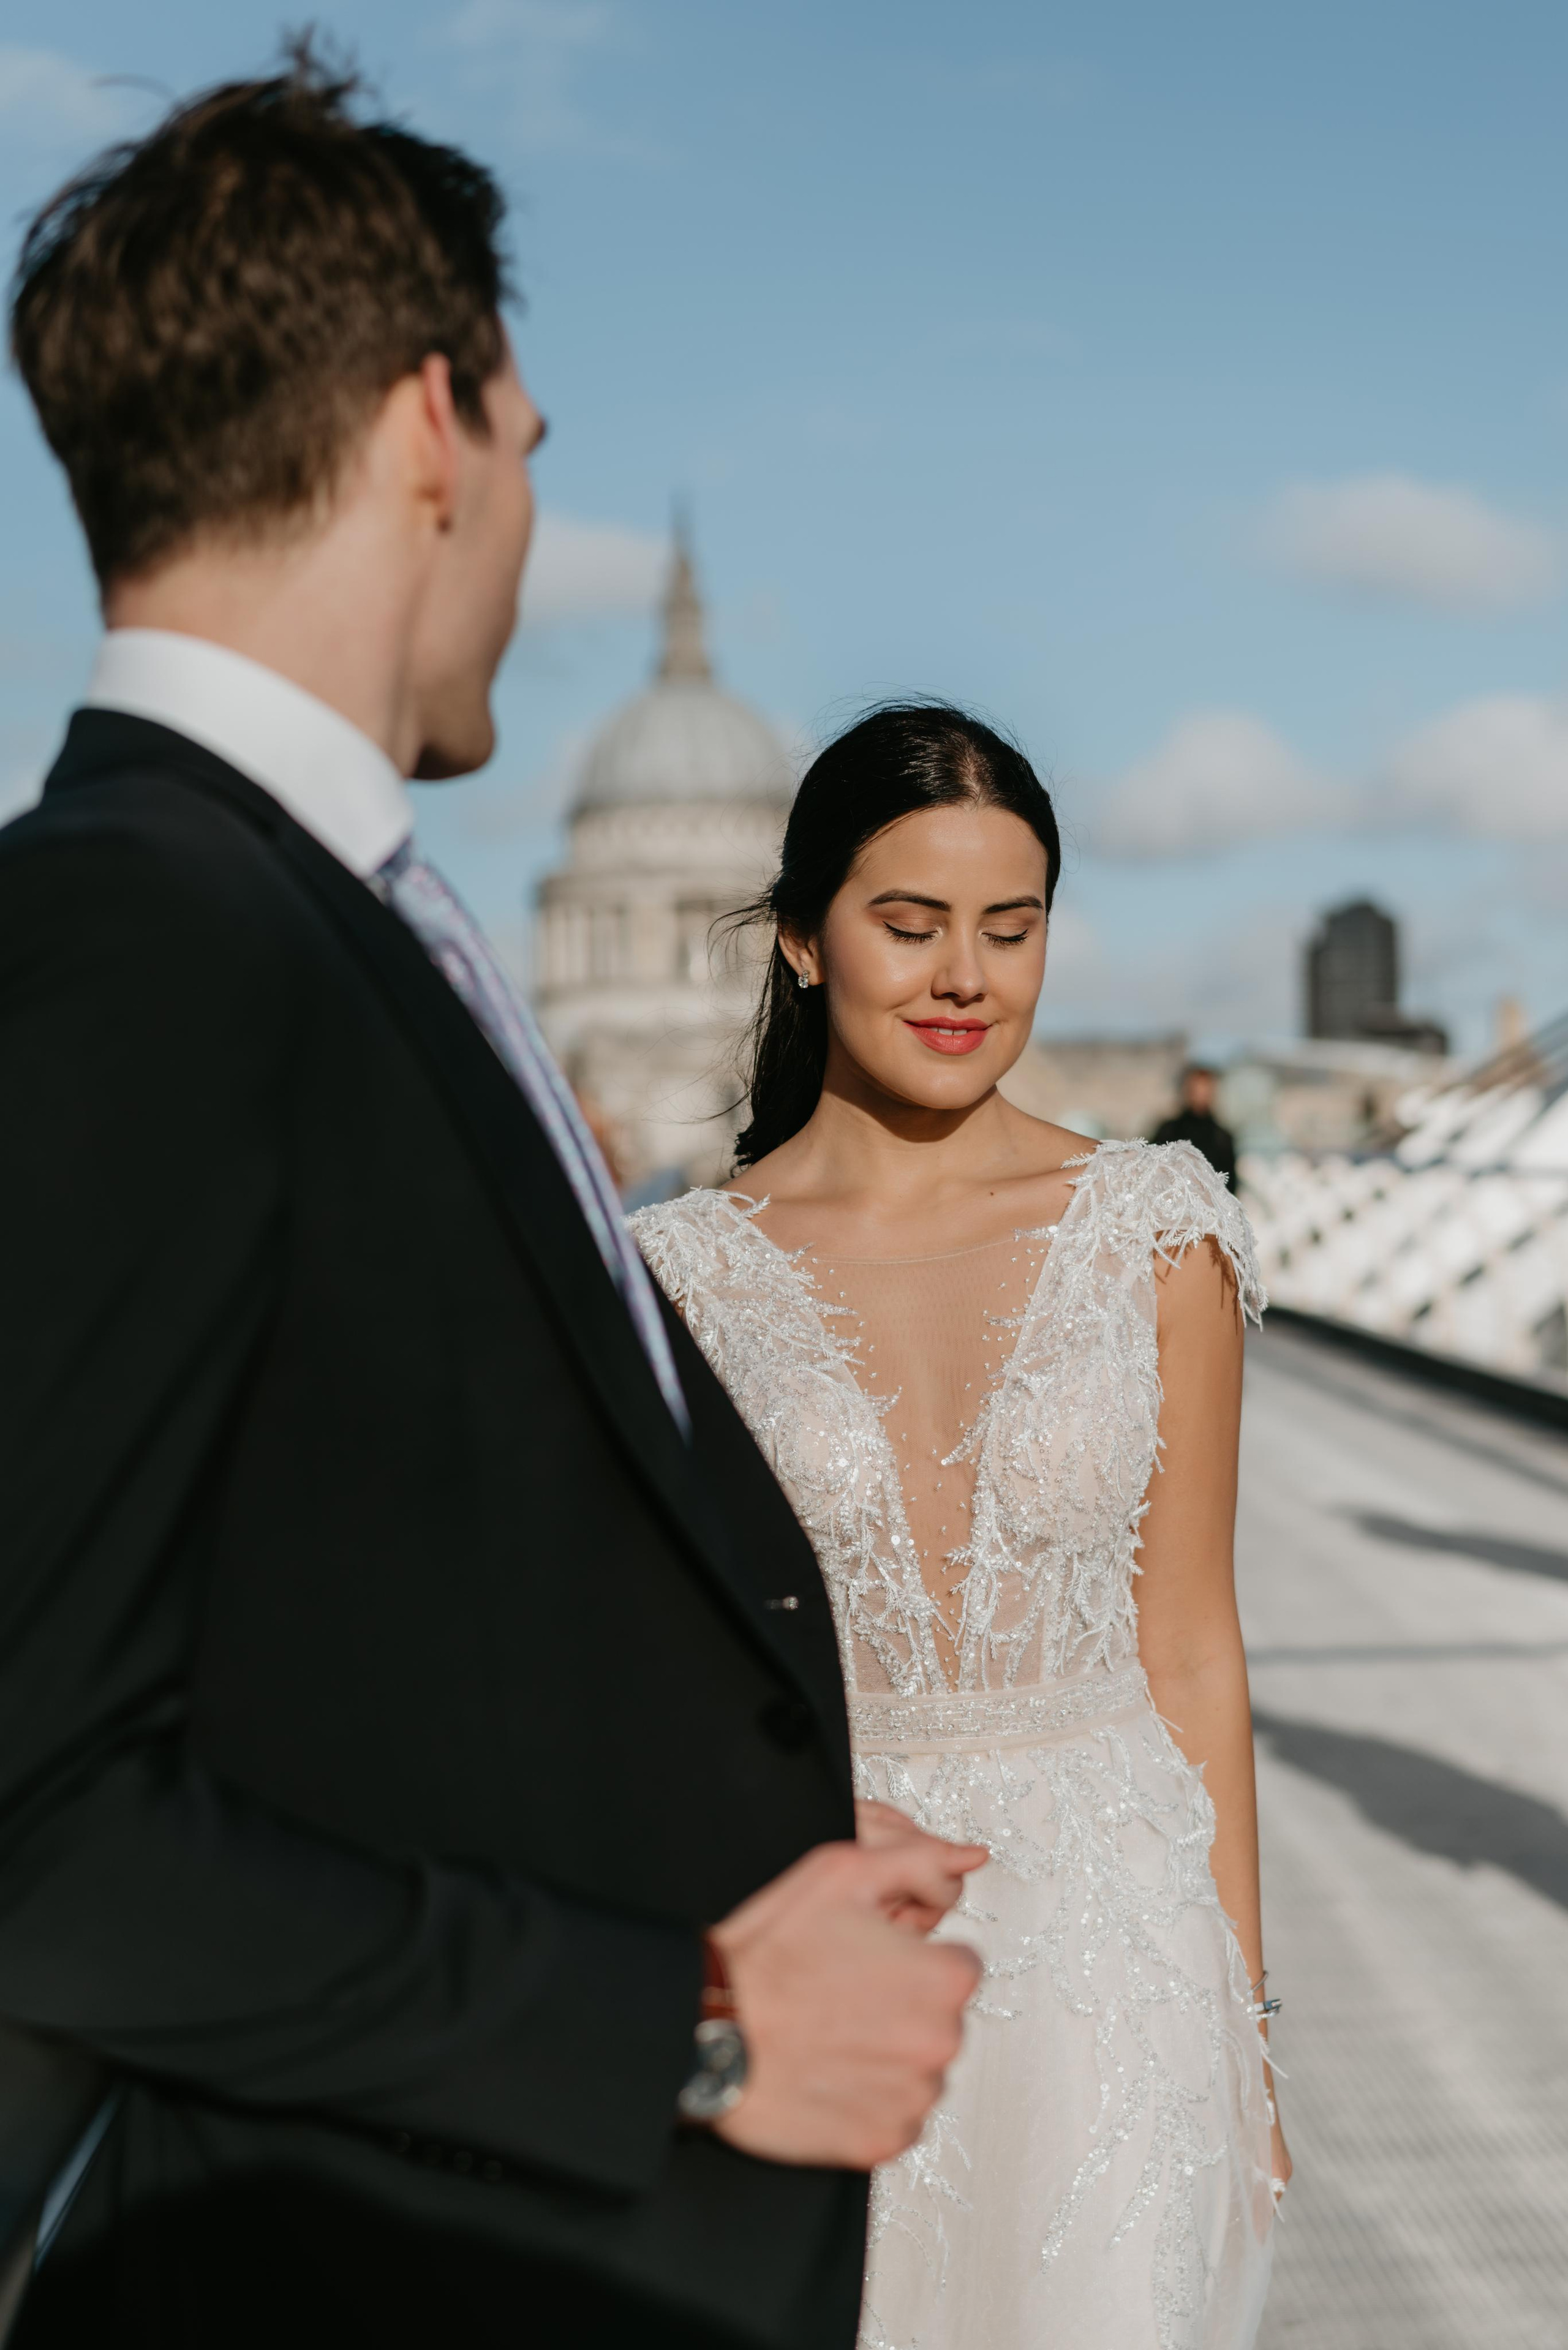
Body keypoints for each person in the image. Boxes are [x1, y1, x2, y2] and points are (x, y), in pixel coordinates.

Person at [0, 56, 986, 2350]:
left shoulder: (307, 924)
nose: (529, 520)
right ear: (431, 423)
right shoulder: (142, 934)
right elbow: (29, 1814)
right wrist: (695, 2017)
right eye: (528, 446)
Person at [633, 706, 1289, 2350]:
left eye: (1011, 928)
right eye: (909, 923)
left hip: (1118, 1962)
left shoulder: (1157, 1228)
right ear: (802, 939)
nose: (964, 978)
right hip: (840, 1942)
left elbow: (1195, 1645)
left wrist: (1248, 2031)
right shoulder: (671, 1281)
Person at [1153, 1066, 1238, 1191]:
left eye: (1205, 1091)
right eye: (1196, 1091)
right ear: (1187, 1092)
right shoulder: (1168, 1131)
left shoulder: (1222, 1138)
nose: (1200, 1097)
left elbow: (1230, 1186)